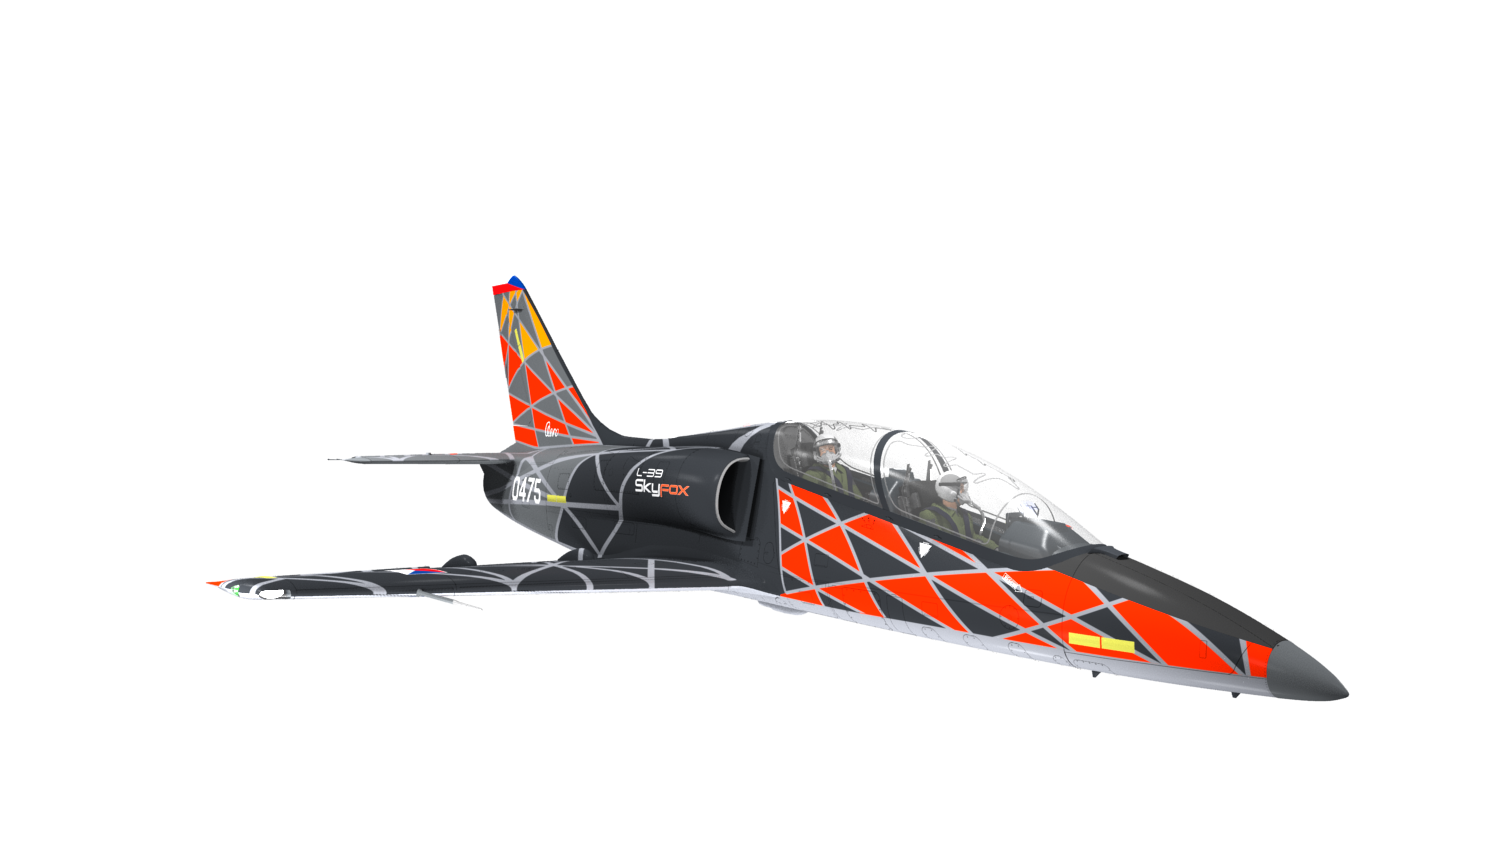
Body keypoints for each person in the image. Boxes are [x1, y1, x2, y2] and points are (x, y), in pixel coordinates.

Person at [918, 472, 999, 549]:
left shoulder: (964, 515)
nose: (966, 494)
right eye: (962, 490)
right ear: (951, 492)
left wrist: (995, 547)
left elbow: (972, 537)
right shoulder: (929, 515)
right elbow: (937, 546)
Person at [803, 430, 874, 500]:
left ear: (837, 450)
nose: (827, 453)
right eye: (823, 450)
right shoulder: (811, 474)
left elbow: (855, 493)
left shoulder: (844, 470)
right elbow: (806, 499)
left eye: (830, 449)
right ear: (817, 454)